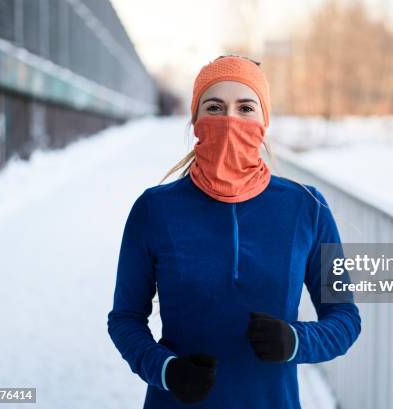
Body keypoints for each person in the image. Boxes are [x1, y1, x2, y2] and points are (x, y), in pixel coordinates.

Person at [107, 55, 361, 409]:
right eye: (214, 107)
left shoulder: (308, 208)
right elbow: (125, 319)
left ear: (264, 120)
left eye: (245, 107)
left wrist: (296, 340)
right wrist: (165, 369)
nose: (229, 120)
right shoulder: (154, 210)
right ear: (195, 120)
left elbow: (345, 319)